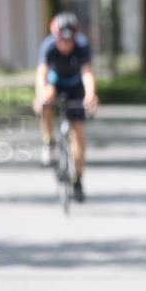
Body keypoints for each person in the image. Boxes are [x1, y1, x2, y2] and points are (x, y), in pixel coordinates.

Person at [33, 12, 99, 202]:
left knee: (79, 135)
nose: (66, 45)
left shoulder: (82, 46)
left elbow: (87, 73)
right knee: (47, 98)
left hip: (75, 86)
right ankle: (48, 142)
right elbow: (41, 73)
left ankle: (77, 179)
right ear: (56, 36)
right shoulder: (48, 46)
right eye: (62, 40)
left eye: (70, 41)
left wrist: (90, 95)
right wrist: (41, 96)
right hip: (55, 83)